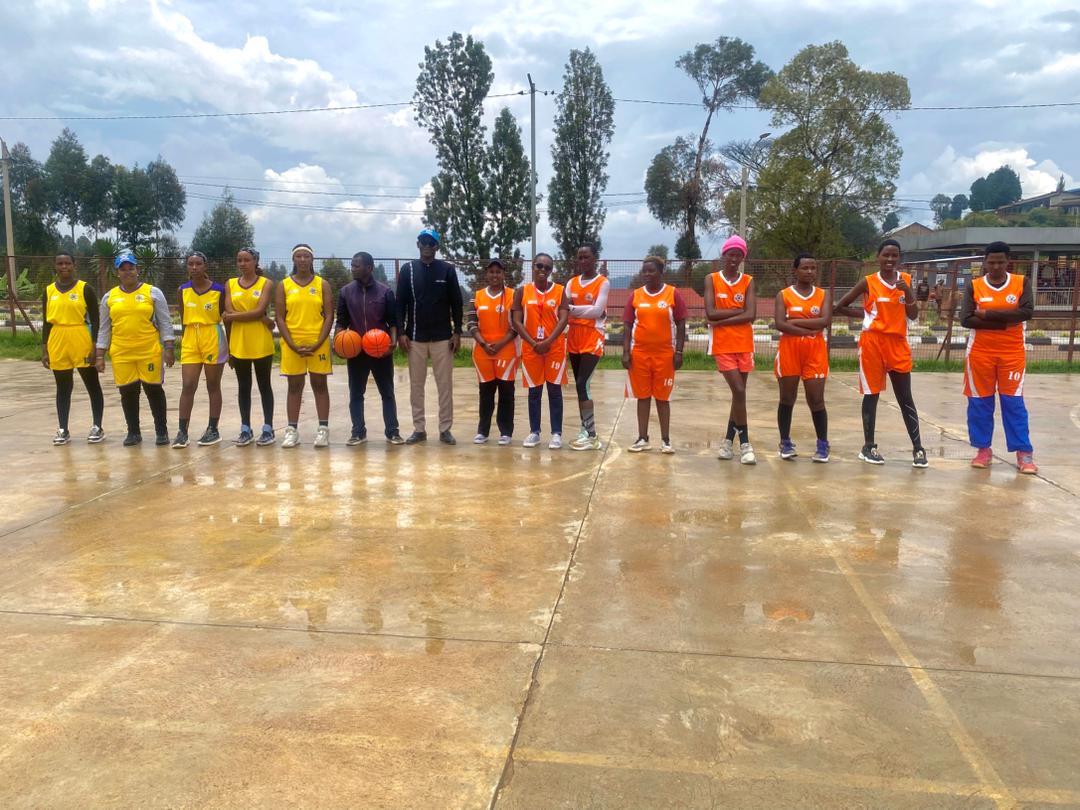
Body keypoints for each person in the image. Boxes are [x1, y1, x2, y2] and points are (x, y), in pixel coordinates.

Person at [834, 239, 928, 467]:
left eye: (895, 255)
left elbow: (913, 315)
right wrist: (866, 316)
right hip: (873, 343)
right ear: (878, 257)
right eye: (886, 255)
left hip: (897, 343)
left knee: (905, 396)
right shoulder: (868, 282)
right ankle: (868, 447)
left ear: (899, 258)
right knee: (871, 394)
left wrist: (908, 293)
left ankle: (918, 449)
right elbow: (841, 305)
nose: (890, 259)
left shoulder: (905, 281)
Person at [961, 241, 1037, 473]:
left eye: (1000, 262)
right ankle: (983, 450)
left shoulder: (1021, 282)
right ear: (985, 262)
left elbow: (1026, 313)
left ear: (1008, 262)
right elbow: (966, 318)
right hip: (980, 354)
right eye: (991, 262)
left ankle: (1024, 454)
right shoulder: (974, 286)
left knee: (1013, 403)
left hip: (1012, 354)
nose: (995, 266)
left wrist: (988, 314)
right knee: (979, 403)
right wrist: (1006, 322)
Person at [95, 252, 174, 446]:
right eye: (123, 268)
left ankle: (161, 431)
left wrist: (169, 347)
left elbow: (165, 322)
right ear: (117, 273)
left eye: (131, 267)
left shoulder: (152, 292)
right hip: (121, 352)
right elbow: (104, 328)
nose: (128, 272)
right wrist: (99, 354)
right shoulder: (109, 297)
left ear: (137, 269)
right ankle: (133, 432)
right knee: (127, 392)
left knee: (153, 390)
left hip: (149, 350)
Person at [396, 228, 463, 445]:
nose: (427, 246)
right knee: (417, 386)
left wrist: (457, 332)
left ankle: (445, 429)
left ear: (437, 246)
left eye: (432, 243)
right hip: (415, 337)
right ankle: (419, 429)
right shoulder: (408, 270)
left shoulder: (447, 270)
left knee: (444, 386)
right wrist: (402, 333)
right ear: (418, 244)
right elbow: (400, 304)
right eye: (424, 242)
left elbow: (457, 303)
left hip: (443, 338)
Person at [336, 251, 403, 446]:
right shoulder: (346, 292)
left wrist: (393, 342)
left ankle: (392, 432)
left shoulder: (385, 292)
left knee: (387, 392)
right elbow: (341, 322)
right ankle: (358, 432)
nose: (353, 268)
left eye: (357, 265)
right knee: (356, 393)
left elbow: (393, 322)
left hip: (380, 349)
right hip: (356, 351)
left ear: (369, 268)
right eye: (352, 265)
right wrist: (339, 341)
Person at [622, 256, 687, 454]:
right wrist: (626, 352)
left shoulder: (672, 294)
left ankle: (666, 440)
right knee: (642, 397)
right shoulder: (635, 296)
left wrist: (679, 352)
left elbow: (681, 323)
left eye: (652, 271)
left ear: (661, 272)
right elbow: (626, 324)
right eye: (645, 271)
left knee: (662, 398)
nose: (647, 274)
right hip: (640, 354)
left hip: (665, 354)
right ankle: (643, 438)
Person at [42, 251, 105, 445]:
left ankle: (97, 426)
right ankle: (63, 429)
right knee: (63, 387)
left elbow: (96, 320)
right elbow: (46, 322)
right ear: (55, 266)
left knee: (91, 384)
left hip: (80, 336)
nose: (64, 267)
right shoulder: (48, 291)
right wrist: (45, 348)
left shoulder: (85, 288)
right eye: (60, 263)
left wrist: (95, 346)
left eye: (67, 263)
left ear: (74, 265)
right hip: (57, 339)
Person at [773, 253, 832, 462]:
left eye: (813, 268)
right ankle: (785, 441)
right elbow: (780, 323)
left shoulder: (822, 295)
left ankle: (823, 443)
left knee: (816, 398)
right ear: (795, 270)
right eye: (805, 268)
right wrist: (806, 328)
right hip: (789, 349)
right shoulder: (784, 295)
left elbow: (824, 321)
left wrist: (795, 322)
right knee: (787, 398)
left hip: (815, 350)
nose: (809, 272)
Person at [275, 244, 333, 448]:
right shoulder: (284, 285)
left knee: (319, 384)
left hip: (318, 341)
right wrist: (291, 344)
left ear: (312, 260)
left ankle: (323, 430)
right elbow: (280, 318)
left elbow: (329, 315)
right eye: (298, 256)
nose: (302, 259)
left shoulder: (322, 284)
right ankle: (292, 431)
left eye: (306, 256)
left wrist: (319, 342)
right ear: (293, 259)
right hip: (293, 342)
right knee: (294, 386)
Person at [705, 234, 757, 464]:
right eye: (730, 254)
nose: (734, 258)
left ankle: (727, 442)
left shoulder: (748, 281)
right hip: (723, 345)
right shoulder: (711, 279)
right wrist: (739, 311)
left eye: (739, 255)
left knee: (739, 395)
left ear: (742, 258)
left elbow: (752, 315)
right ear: (723, 255)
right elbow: (710, 312)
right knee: (739, 390)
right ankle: (745, 443)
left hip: (744, 343)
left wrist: (721, 320)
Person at [512, 252, 569, 449]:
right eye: (539, 266)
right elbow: (516, 321)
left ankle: (556, 433)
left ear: (551, 270)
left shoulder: (560, 291)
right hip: (531, 349)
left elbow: (563, 319)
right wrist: (533, 342)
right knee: (534, 392)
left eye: (547, 267)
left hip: (554, 348)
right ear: (532, 267)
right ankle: (534, 432)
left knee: (554, 391)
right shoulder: (521, 291)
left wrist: (548, 341)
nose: (542, 270)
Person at [172, 251, 228, 448]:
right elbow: (182, 315)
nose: (194, 267)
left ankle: (213, 428)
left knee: (213, 384)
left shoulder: (219, 290)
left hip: (212, 335)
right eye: (190, 264)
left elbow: (224, 315)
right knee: (188, 385)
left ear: (205, 266)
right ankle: (182, 431)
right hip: (190, 337)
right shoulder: (183, 290)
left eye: (198, 264)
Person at [224, 247, 276, 446]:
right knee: (243, 386)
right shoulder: (230, 284)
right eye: (239, 260)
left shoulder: (266, 283)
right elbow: (229, 309)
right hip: (239, 341)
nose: (243, 264)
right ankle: (245, 428)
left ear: (255, 261)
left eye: (246, 260)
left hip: (261, 341)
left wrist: (239, 316)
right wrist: (257, 316)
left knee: (264, 386)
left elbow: (259, 310)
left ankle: (268, 428)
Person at [467, 258, 518, 445]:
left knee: (506, 392)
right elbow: (471, 324)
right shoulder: (477, 296)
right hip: (483, 353)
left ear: (504, 274)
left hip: (506, 351)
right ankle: (483, 431)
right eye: (491, 272)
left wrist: (499, 344)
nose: (495, 275)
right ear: (486, 274)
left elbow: (516, 326)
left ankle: (506, 432)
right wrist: (483, 344)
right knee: (486, 392)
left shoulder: (513, 295)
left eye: (498, 272)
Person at [565, 244, 610, 451]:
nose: (582, 261)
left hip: (592, 336)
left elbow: (597, 311)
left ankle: (592, 435)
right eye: (579, 257)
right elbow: (564, 309)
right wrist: (584, 311)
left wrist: (572, 309)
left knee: (583, 383)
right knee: (580, 385)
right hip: (574, 336)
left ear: (594, 259)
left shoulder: (603, 283)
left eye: (586, 257)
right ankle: (585, 429)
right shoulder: (571, 283)